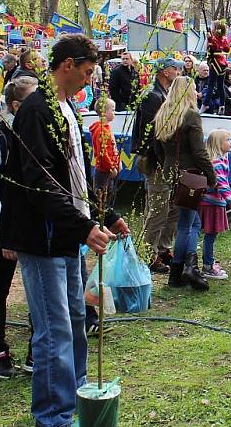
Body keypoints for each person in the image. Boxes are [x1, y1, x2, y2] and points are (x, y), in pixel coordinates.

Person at [0, 34, 128, 427]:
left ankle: (75, 399)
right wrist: (80, 226)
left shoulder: (65, 108)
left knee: (74, 320)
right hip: (44, 238)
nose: (91, 80)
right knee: (53, 330)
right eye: (88, 71)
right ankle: (50, 422)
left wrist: (104, 216)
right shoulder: (37, 111)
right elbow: (40, 183)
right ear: (68, 65)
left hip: (66, 235)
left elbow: (74, 174)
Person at [0, 77, 38, 378]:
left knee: (37, 291)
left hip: (30, 228)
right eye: (34, 97)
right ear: (16, 105)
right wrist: (5, 235)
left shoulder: (34, 135)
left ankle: (34, 351)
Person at [154, 76, 216, 291]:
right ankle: (187, 269)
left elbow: (158, 148)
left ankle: (179, 273)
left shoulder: (163, 113)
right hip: (190, 175)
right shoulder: (191, 115)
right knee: (187, 224)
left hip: (172, 173)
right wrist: (212, 176)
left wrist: (167, 167)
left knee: (190, 221)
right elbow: (199, 152)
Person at [130, 56, 183, 274]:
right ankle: (148, 253)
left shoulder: (165, 94)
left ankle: (163, 249)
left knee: (172, 208)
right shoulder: (152, 97)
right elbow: (152, 134)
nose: (178, 72)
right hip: (156, 162)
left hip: (166, 161)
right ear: (164, 72)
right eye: (174, 68)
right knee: (158, 208)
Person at [198, 129, 231, 280]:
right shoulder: (217, 163)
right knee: (210, 235)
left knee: (210, 235)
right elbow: (222, 185)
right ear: (219, 144)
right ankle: (208, 266)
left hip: (213, 202)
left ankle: (209, 262)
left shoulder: (222, 159)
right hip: (212, 203)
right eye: (227, 140)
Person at [89, 97, 120, 205]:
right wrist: (111, 167)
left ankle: (108, 217)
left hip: (109, 169)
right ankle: (102, 218)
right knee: (103, 198)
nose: (114, 112)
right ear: (104, 112)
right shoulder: (101, 131)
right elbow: (103, 154)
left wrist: (117, 162)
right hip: (104, 171)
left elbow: (112, 148)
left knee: (110, 194)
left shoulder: (107, 128)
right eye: (112, 110)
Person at [204, 20, 230, 113]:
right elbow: (226, 49)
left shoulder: (214, 39)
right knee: (220, 86)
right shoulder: (224, 39)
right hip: (222, 63)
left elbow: (214, 47)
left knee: (211, 85)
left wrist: (210, 39)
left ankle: (205, 104)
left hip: (215, 62)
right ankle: (222, 105)